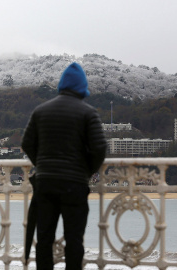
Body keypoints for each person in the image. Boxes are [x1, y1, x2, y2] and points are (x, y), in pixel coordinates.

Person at [21, 62, 107, 270]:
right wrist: (86, 171)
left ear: (61, 85)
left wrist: (42, 164)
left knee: (44, 240)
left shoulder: (41, 111)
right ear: (82, 87)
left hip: (45, 184)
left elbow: (26, 143)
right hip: (74, 185)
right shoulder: (88, 113)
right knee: (74, 240)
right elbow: (100, 148)